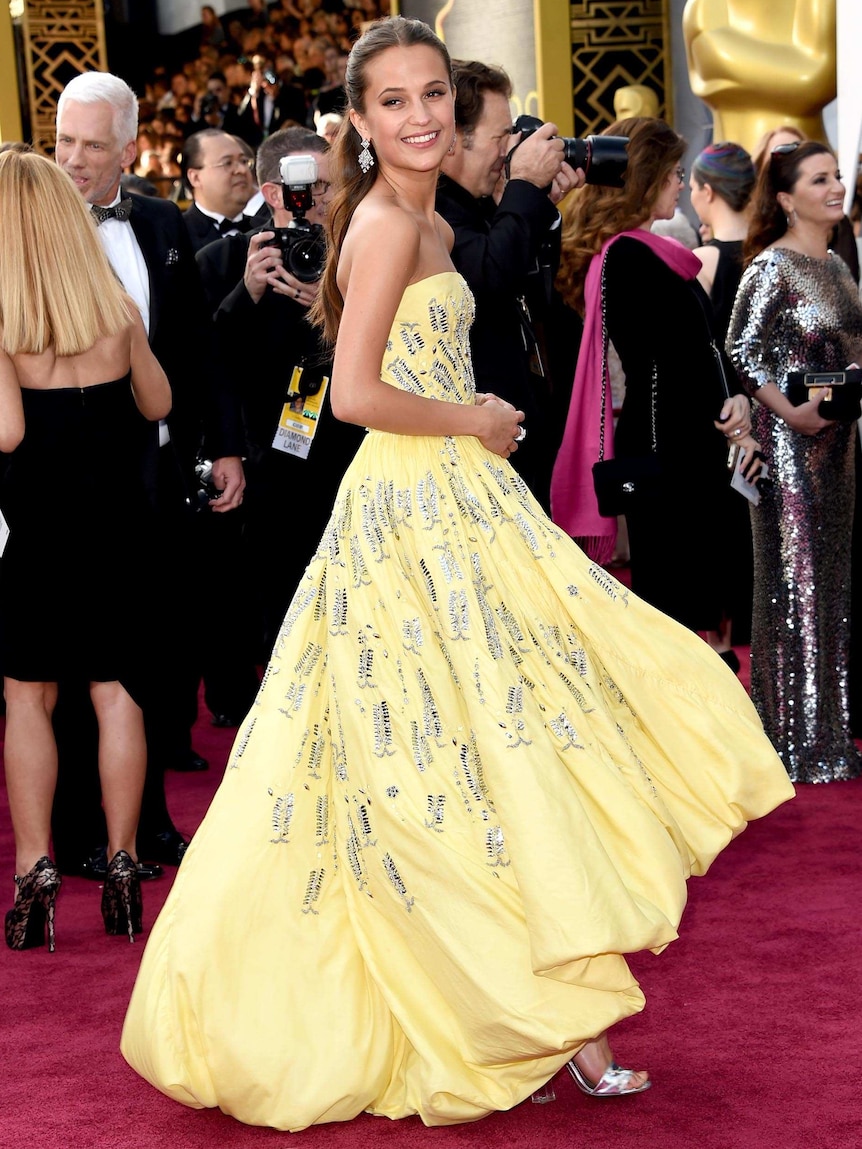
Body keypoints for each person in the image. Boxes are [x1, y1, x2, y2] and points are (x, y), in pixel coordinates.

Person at [121, 17, 793, 1130]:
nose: (422, 115)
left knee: (501, 748)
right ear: (362, 120)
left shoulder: (420, 214)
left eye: (433, 92)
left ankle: (562, 1015)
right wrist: (474, 418)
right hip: (413, 506)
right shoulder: (386, 224)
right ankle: (548, 1018)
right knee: (467, 752)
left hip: (448, 503)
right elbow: (352, 398)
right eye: (393, 101)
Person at [53, 70, 246, 877]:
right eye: (64, 140)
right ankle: (76, 835)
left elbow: (197, 349)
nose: (75, 160)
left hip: (157, 468)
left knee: (158, 652)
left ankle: (151, 823)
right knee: (68, 660)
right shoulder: (27, 224)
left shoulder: (163, 221)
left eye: (94, 144)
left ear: (130, 148)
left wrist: (226, 443)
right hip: (64, 472)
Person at [0, 150, 172, 950]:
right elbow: (159, 401)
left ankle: (35, 867)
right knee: (116, 695)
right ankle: (127, 864)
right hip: (120, 538)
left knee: (28, 700)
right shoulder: (114, 309)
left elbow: (6, 432)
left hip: (39, 540)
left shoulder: (4, 327)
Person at [552, 117, 761, 652]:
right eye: (671, 174)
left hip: (677, 445)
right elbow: (678, 358)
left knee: (688, 613)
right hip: (672, 453)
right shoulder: (631, 256)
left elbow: (696, 353)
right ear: (644, 179)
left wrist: (731, 400)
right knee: (678, 616)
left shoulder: (643, 254)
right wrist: (730, 417)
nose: (679, 185)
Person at [196, 125, 365, 662]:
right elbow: (207, 365)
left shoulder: (362, 251)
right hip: (272, 467)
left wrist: (336, 304)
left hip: (353, 455)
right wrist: (245, 294)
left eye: (331, 185)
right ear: (274, 194)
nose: (324, 199)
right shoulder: (222, 263)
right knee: (286, 616)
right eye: (310, 187)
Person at [727, 139, 862, 783]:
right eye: (820, 179)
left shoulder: (837, 264)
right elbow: (741, 350)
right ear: (785, 199)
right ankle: (794, 741)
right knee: (795, 587)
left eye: (837, 175)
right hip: (789, 448)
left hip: (837, 445)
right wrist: (788, 413)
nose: (836, 186)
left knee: (832, 584)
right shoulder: (770, 269)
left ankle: (829, 732)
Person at [435, 59, 579, 511]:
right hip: (473, 454)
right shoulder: (435, 210)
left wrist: (537, 204)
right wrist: (523, 188)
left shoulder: (478, 205)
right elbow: (489, 280)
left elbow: (536, 298)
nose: (509, 151)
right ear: (454, 138)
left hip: (517, 435)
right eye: (502, 137)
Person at [689, 141, 757, 659]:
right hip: (769, 413)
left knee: (722, 531)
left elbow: (702, 349)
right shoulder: (769, 255)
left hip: (721, 415)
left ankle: (724, 642)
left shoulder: (701, 262)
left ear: (708, 192)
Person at [182, 129, 257, 251]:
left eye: (244, 161)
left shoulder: (268, 228)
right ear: (195, 177)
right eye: (227, 163)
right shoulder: (177, 234)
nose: (242, 170)